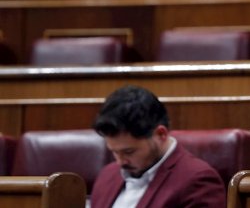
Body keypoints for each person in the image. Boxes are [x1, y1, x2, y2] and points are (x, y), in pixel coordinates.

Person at [90, 85, 225, 207]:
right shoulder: (107, 176)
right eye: (114, 152)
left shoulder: (197, 181)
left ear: (161, 134)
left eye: (129, 152)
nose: (120, 162)